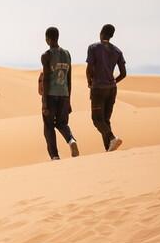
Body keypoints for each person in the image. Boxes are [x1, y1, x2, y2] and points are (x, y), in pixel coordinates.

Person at [40, 27, 79, 160]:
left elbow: (45, 80)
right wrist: (69, 100)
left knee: (48, 126)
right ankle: (71, 141)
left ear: (48, 39)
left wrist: (44, 102)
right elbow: (69, 78)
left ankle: (55, 156)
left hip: (51, 95)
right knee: (62, 123)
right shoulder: (67, 54)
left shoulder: (46, 55)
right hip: (64, 94)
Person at [86, 24, 127, 152]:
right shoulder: (117, 51)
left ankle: (112, 138)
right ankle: (109, 148)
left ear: (101, 32)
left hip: (98, 88)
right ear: (112, 35)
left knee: (97, 120)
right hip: (112, 89)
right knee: (105, 120)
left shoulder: (93, 48)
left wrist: (90, 82)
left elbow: (89, 68)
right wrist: (113, 81)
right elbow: (124, 73)